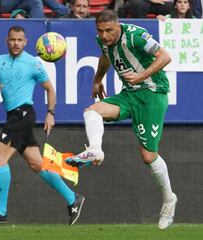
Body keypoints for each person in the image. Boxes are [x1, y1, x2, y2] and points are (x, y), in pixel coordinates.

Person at [65, 9, 177, 230]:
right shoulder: (102, 41)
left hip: (152, 93)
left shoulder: (135, 35)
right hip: (129, 94)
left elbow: (165, 56)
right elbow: (106, 55)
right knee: (92, 110)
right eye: (100, 31)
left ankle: (169, 199)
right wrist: (97, 79)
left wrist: (141, 76)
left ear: (118, 26)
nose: (105, 35)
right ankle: (95, 150)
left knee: (148, 156)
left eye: (109, 30)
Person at [0, 26, 85, 226]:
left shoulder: (33, 63)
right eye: (12, 39)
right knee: (37, 164)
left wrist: (51, 114)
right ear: (6, 41)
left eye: (19, 40)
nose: (16, 43)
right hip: (14, 116)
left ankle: (1, 211)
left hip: (23, 115)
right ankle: (73, 199)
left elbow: (50, 89)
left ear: (26, 42)